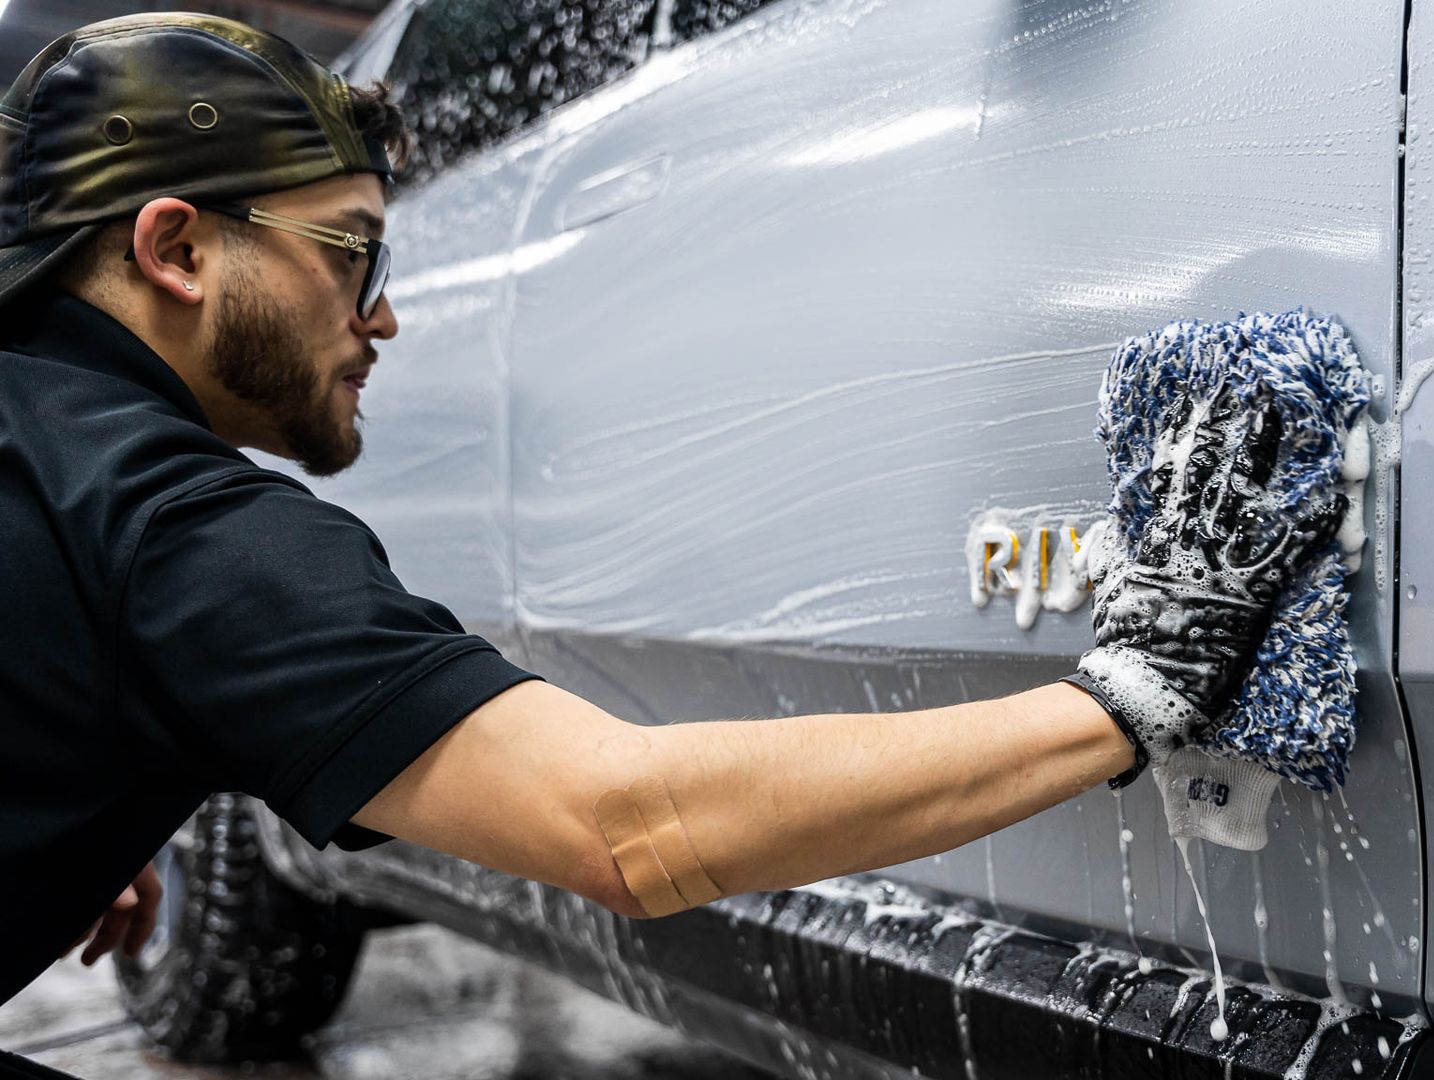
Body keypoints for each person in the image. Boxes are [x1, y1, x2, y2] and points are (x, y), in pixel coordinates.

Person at [0, 14, 1341, 1077]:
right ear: (175, 248)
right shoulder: (170, 522)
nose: (385, 319)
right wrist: (1132, 692)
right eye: (353, 254)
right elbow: (626, 830)